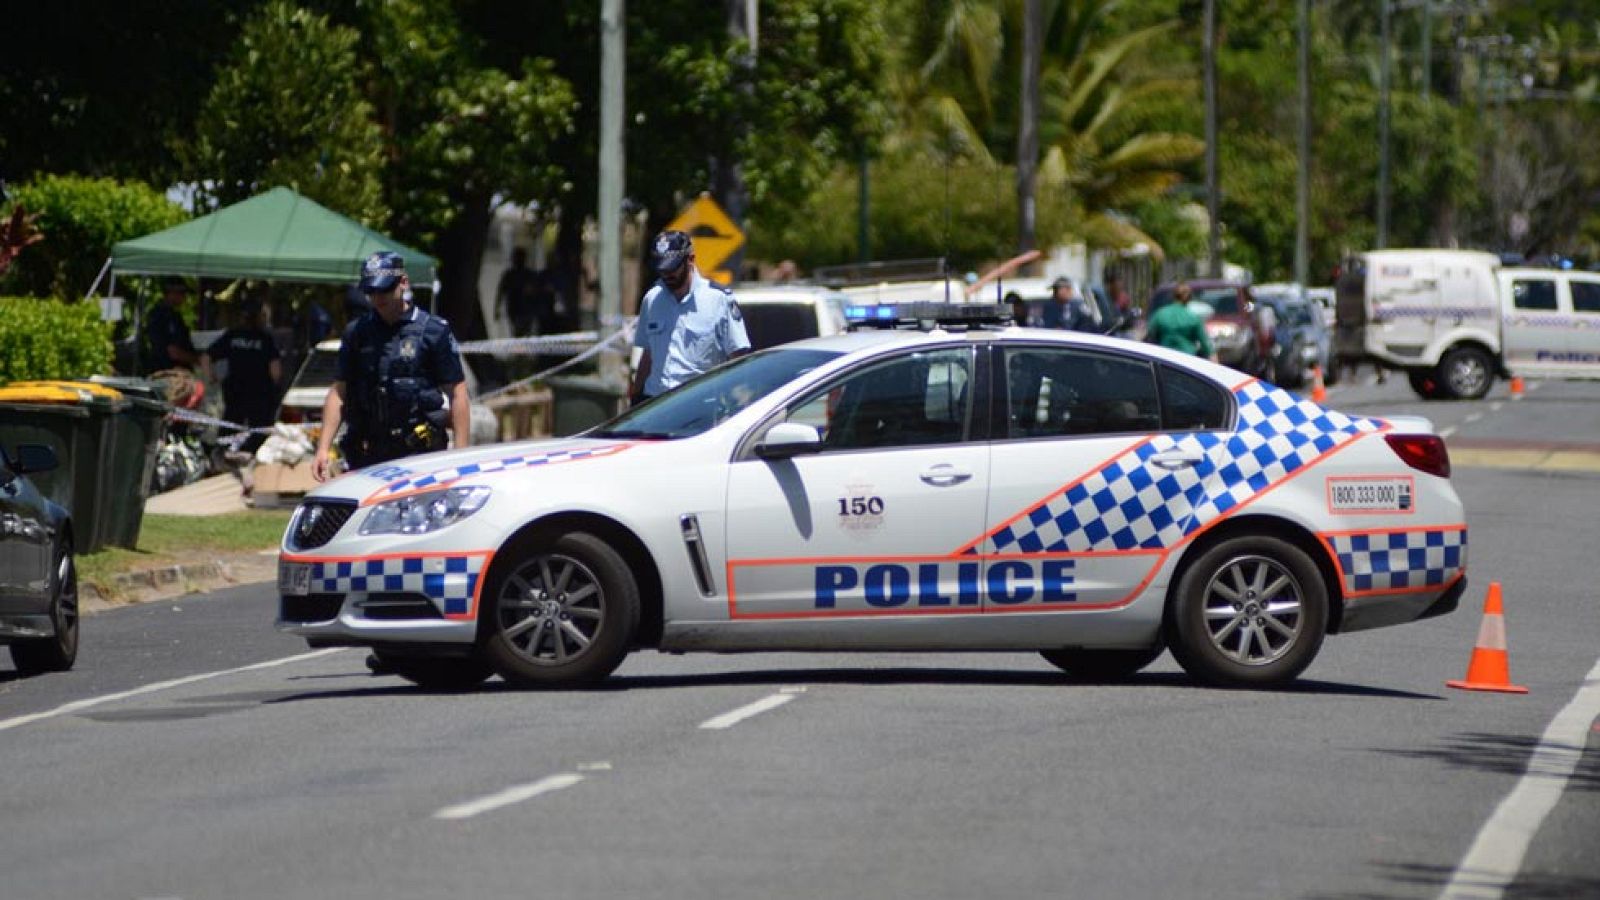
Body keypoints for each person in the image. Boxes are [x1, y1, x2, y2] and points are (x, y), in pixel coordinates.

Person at [312, 251, 471, 481]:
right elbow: (339, 392)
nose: (378, 297)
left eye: (384, 289)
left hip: (419, 453)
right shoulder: (357, 332)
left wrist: (460, 456)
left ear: (403, 282)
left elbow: (458, 393)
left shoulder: (433, 331)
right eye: (371, 291)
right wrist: (323, 448)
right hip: (367, 452)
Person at [629, 230, 752, 405]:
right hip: (655, 404)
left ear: (691, 259)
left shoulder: (718, 299)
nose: (667, 275)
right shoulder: (652, 299)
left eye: (673, 267)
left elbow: (738, 356)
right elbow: (648, 354)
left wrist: (736, 401)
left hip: (699, 405)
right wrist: (636, 395)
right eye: (662, 269)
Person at [202, 298, 283, 452]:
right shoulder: (265, 339)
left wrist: (211, 378)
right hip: (260, 393)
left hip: (235, 391)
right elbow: (276, 371)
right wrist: (275, 386)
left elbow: (206, 357)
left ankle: (223, 457)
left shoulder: (232, 336)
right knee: (259, 435)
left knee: (229, 427)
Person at [1145, 282, 1217, 361]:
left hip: (1165, 359)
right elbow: (1205, 344)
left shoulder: (1160, 314)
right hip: (1187, 360)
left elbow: (1150, 337)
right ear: (1189, 298)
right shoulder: (1192, 317)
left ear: (1173, 296)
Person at [145, 276, 198, 372]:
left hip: (178, 371)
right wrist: (198, 359)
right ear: (171, 293)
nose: (184, 297)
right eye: (182, 293)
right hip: (165, 371)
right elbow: (173, 352)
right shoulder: (159, 315)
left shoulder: (175, 316)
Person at [496, 246, 552, 336]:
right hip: (515, 309)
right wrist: (497, 308)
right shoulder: (510, 275)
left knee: (524, 332)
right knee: (519, 332)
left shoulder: (528, 275)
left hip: (526, 310)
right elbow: (501, 292)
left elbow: (538, 291)